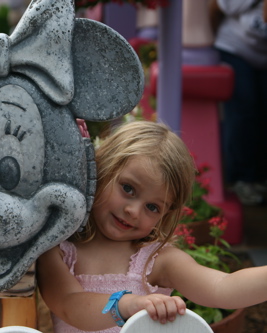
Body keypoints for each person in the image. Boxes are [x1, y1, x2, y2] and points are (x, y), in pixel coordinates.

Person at [37, 121, 267, 332]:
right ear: (103, 170)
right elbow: (69, 304)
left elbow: (222, 288)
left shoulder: (156, 260)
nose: (134, 211)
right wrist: (125, 305)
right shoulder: (59, 250)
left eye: (153, 207)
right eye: (128, 188)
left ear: (166, 215)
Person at [211, 0, 267, 205]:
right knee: (244, 109)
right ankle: (242, 178)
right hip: (234, 48)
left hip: (262, 54)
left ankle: (259, 177)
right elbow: (221, 6)